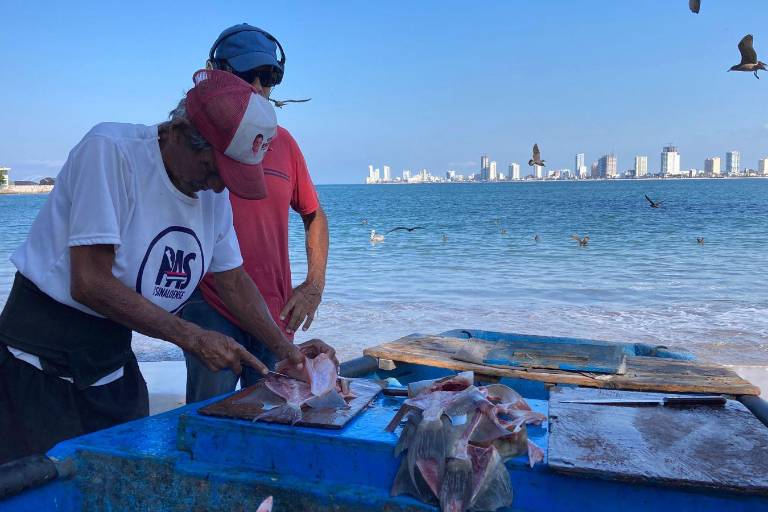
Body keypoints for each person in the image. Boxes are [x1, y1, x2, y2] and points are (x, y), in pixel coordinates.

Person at [0, 69, 335, 464]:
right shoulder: (111, 151)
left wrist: (285, 349)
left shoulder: (213, 193)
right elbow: (89, 282)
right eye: (213, 171)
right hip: (38, 363)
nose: (216, 187)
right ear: (179, 131)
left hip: (110, 360)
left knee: (122, 479)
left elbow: (232, 280)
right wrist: (192, 337)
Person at [182, 24, 330, 403]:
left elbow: (314, 215)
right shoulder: (193, 143)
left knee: (279, 414)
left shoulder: (285, 145)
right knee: (209, 415)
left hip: (275, 309)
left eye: (268, 78)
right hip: (211, 303)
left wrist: (313, 286)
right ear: (215, 71)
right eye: (248, 75)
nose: (259, 87)